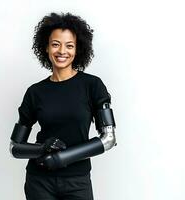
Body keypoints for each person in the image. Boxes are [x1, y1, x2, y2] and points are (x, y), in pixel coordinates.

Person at [9, 12, 117, 200]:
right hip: (39, 181)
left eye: (69, 45)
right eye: (55, 44)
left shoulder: (92, 85)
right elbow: (14, 147)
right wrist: (42, 149)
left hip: (77, 181)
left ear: (78, 49)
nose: (62, 51)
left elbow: (108, 138)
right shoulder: (35, 92)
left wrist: (61, 158)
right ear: (46, 48)